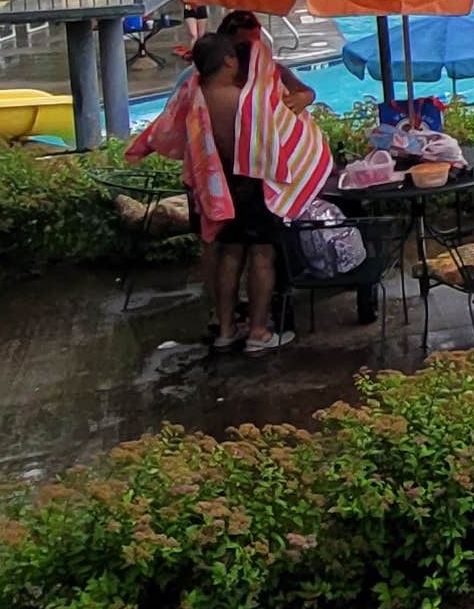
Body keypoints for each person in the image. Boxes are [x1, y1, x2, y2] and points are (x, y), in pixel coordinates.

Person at [130, 23, 333, 358]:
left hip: (218, 185)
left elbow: (166, 131)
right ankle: (258, 331)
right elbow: (280, 138)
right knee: (262, 255)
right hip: (252, 184)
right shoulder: (248, 100)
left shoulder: (194, 96)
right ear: (227, 60)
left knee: (229, 253)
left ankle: (225, 330)